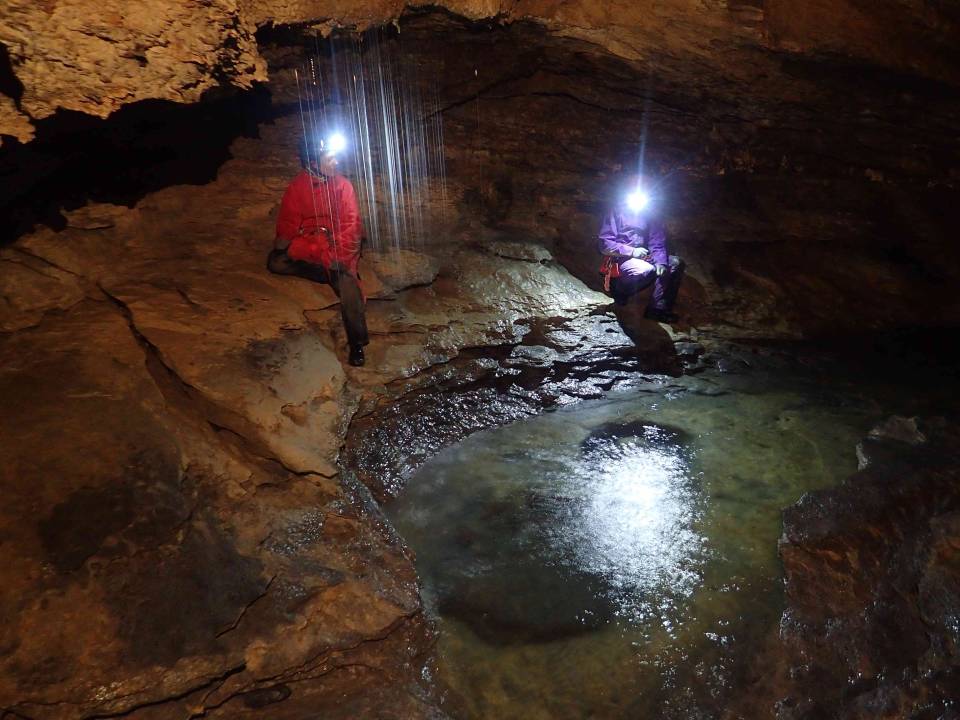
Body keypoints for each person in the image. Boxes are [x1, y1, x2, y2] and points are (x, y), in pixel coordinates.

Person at [268, 135, 369, 366]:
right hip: (313, 243)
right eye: (330, 158)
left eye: (336, 157)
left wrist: (337, 257)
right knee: (275, 263)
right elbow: (289, 221)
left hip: (337, 246)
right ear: (313, 162)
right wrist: (285, 244)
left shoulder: (343, 186)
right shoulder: (298, 186)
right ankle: (326, 273)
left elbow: (351, 227)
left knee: (348, 287)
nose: (336, 162)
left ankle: (357, 344)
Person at [597, 180, 685, 323]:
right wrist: (632, 251)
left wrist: (661, 263)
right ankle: (619, 290)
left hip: (644, 257)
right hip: (621, 259)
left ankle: (657, 309)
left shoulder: (650, 214)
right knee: (645, 270)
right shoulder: (617, 211)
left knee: (674, 263)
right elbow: (605, 244)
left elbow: (657, 242)